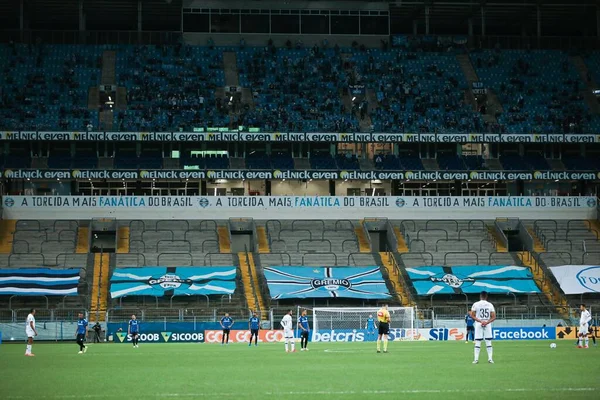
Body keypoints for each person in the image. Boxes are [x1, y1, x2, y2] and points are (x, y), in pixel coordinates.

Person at [470, 291, 496, 364]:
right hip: (487, 324)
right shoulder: (490, 305)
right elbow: (494, 316)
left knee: (478, 342)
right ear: (486, 297)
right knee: (488, 342)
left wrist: (480, 321)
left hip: (478, 323)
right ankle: (490, 359)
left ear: (480, 296)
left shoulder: (476, 304)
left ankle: (476, 359)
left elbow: (472, 315)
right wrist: (486, 322)